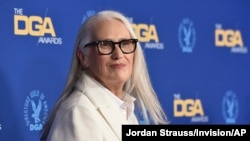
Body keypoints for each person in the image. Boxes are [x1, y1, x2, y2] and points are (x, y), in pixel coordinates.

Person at [40, 10, 168, 141]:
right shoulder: (78, 112)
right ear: (83, 57)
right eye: (105, 45)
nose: (118, 54)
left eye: (125, 43)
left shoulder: (124, 107)